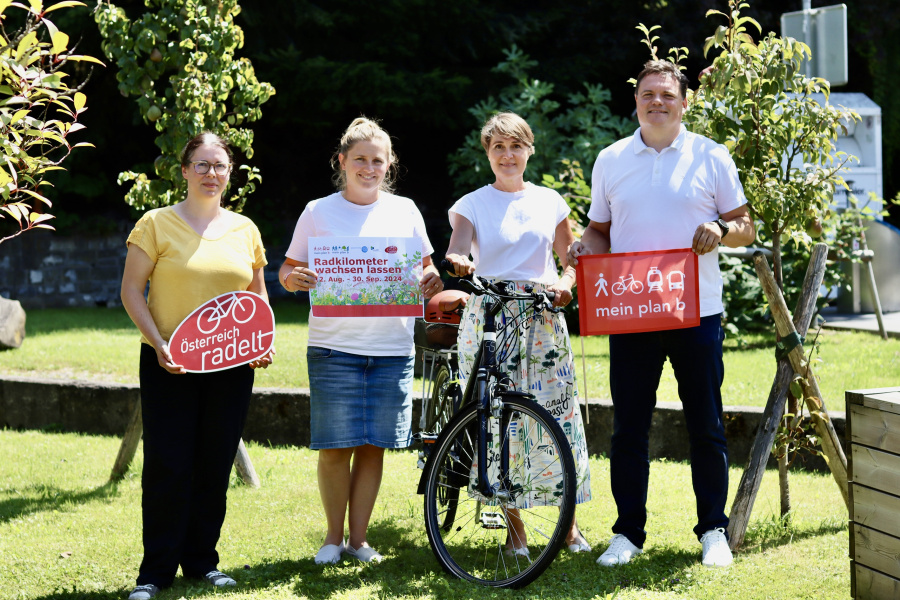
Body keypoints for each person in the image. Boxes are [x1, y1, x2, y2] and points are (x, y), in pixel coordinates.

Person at [568, 60, 756, 569]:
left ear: (684, 101)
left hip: (698, 311)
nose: (657, 102)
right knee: (629, 426)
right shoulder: (611, 159)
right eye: (648, 94)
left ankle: (712, 530)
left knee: (706, 423)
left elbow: (746, 227)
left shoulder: (711, 156)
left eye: (667, 95)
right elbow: (600, 231)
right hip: (631, 310)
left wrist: (721, 228)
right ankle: (628, 533)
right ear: (636, 102)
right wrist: (584, 249)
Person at [279, 117, 442, 565]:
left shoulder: (405, 210)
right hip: (334, 348)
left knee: (373, 447)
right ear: (342, 162)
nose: (369, 168)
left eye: (378, 160)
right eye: (360, 160)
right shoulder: (317, 211)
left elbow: (427, 269)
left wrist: (430, 278)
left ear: (389, 165)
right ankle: (332, 538)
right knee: (335, 448)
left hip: (392, 350)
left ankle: (359, 539)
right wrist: (295, 279)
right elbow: (287, 270)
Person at [120, 132, 274, 600]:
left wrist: (261, 339)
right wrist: (158, 342)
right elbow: (131, 291)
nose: (212, 174)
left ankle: (202, 563)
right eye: (202, 165)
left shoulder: (245, 229)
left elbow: (257, 293)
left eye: (220, 166)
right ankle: (155, 573)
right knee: (168, 465)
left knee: (214, 463)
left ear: (230, 174)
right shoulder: (155, 224)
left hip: (232, 366)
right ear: (184, 170)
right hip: (170, 363)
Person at [444, 111, 592, 556]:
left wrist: (566, 285)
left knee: (556, 416)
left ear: (530, 150)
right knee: (498, 421)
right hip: (491, 314)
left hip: (542, 315)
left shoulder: (550, 201)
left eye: (516, 146)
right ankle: (516, 531)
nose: (507, 155)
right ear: (487, 154)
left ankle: (568, 525)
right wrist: (460, 262)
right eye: (498, 147)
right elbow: (456, 245)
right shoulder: (471, 203)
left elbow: (570, 261)